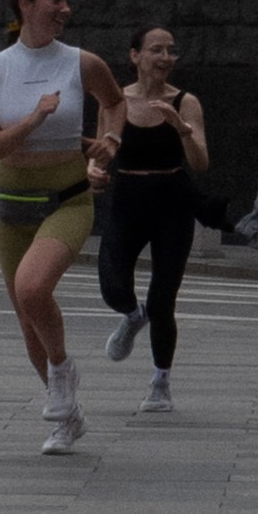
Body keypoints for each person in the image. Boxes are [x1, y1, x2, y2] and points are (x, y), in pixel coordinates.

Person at [0, 0, 120, 454]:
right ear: (25, 4)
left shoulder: (82, 62)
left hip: (68, 198)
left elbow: (115, 103)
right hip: (10, 202)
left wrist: (111, 139)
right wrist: (34, 118)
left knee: (33, 289)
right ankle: (65, 415)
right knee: (25, 318)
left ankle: (61, 369)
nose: (65, 8)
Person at [95, 25, 207, 412]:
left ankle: (160, 384)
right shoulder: (115, 101)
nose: (164, 58)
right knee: (111, 283)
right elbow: (100, 154)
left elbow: (200, 162)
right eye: (156, 49)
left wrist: (182, 130)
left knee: (163, 299)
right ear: (134, 55)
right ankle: (130, 315)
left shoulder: (186, 102)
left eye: (171, 51)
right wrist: (93, 171)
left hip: (172, 202)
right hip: (127, 198)